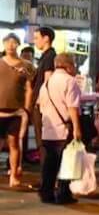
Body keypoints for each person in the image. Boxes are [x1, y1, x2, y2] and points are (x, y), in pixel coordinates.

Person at [36, 53, 82, 204]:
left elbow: (41, 106)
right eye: (74, 65)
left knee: (49, 164)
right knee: (65, 163)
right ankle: (63, 194)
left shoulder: (46, 84)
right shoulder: (70, 82)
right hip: (64, 129)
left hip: (48, 130)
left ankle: (46, 193)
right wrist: (76, 127)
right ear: (68, 66)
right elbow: (72, 108)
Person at [0, 33, 33, 187]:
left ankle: (14, 174)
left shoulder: (26, 65)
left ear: (18, 45)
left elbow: (29, 89)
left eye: (14, 43)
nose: (10, 45)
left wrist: (27, 109)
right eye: (8, 42)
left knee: (14, 143)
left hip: (16, 111)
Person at [29, 27, 57, 163]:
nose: (35, 41)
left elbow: (48, 81)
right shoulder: (45, 56)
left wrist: (40, 101)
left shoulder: (50, 56)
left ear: (46, 39)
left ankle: (46, 179)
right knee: (41, 140)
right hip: (39, 103)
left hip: (41, 105)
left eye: (36, 38)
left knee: (42, 140)